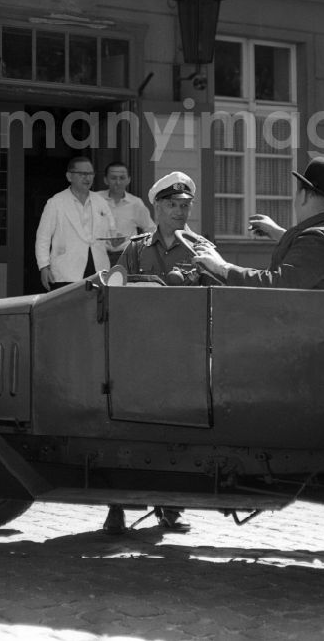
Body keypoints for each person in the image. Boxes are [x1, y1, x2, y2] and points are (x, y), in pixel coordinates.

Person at [103, 171, 198, 537]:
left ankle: (170, 509)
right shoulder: (136, 248)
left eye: (185, 206)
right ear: (157, 208)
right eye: (173, 205)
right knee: (124, 432)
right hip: (138, 355)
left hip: (180, 356)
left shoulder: (200, 249)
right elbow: (115, 289)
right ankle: (116, 510)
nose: (180, 212)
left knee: (175, 435)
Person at [191, 157, 324, 290]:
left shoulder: (320, 239)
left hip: (307, 329)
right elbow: (311, 257)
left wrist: (222, 267)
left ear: (305, 196)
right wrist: (278, 233)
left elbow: (278, 285)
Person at [34, 157, 116, 291]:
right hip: (67, 269)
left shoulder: (100, 201)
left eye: (90, 174)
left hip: (98, 267)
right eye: (82, 174)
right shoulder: (56, 202)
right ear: (69, 176)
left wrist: (115, 241)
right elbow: (43, 238)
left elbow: (112, 233)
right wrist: (44, 266)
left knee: (96, 309)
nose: (87, 178)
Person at [95, 161, 156, 265]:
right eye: (113, 178)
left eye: (122, 178)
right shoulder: (96, 199)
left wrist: (141, 248)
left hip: (127, 256)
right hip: (99, 254)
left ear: (128, 180)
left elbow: (151, 229)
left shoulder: (136, 203)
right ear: (106, 180)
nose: (118, 182)